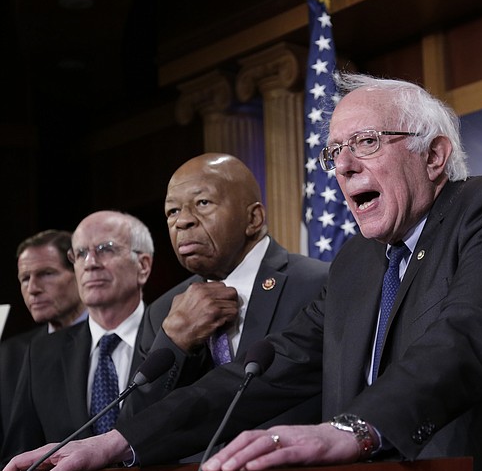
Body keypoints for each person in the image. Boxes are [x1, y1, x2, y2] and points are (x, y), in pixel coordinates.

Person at [3, 74, 482, 471]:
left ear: (435, 155)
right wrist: (121, 440)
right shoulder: (358, 263)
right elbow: (268, 367)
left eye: (367, 143)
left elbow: (467, 338)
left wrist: (353, 428)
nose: (342, 166)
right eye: (333, 151)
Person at [121, 153, 329, 424]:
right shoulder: (162, 311)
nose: (182, 221)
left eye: (202, 203)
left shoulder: (317, 283)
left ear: (253, 218)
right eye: (172, 211)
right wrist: (174, 342)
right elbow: (132, 425)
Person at [0, 211, 154, 465]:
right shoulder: (40, 353)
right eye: (81, 254)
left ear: (143, 265)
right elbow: (20, 457)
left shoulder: (173, 335)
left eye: (106, 249)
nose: (90, 263)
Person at [1, 230, 87, 445]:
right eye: (24, 278)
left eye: (46, 274)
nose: (33, 289)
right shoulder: (8, 355)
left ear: (80, 272)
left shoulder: (110, 341)